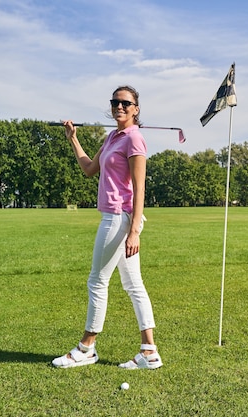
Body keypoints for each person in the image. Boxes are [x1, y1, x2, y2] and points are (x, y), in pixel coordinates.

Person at [52, 86, 162, 370]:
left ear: (136, 108)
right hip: (118, 218)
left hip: (119, 218)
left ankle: (87, 347)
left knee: (97, 281)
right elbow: (90, 169)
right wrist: (73, 139)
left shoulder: (135, 139)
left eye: (126, 103)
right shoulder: (113, 136)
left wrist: (135, 229)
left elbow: (140, 189)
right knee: (133, 284)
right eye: (115, 102)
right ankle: (149, 352)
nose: (119, 107)